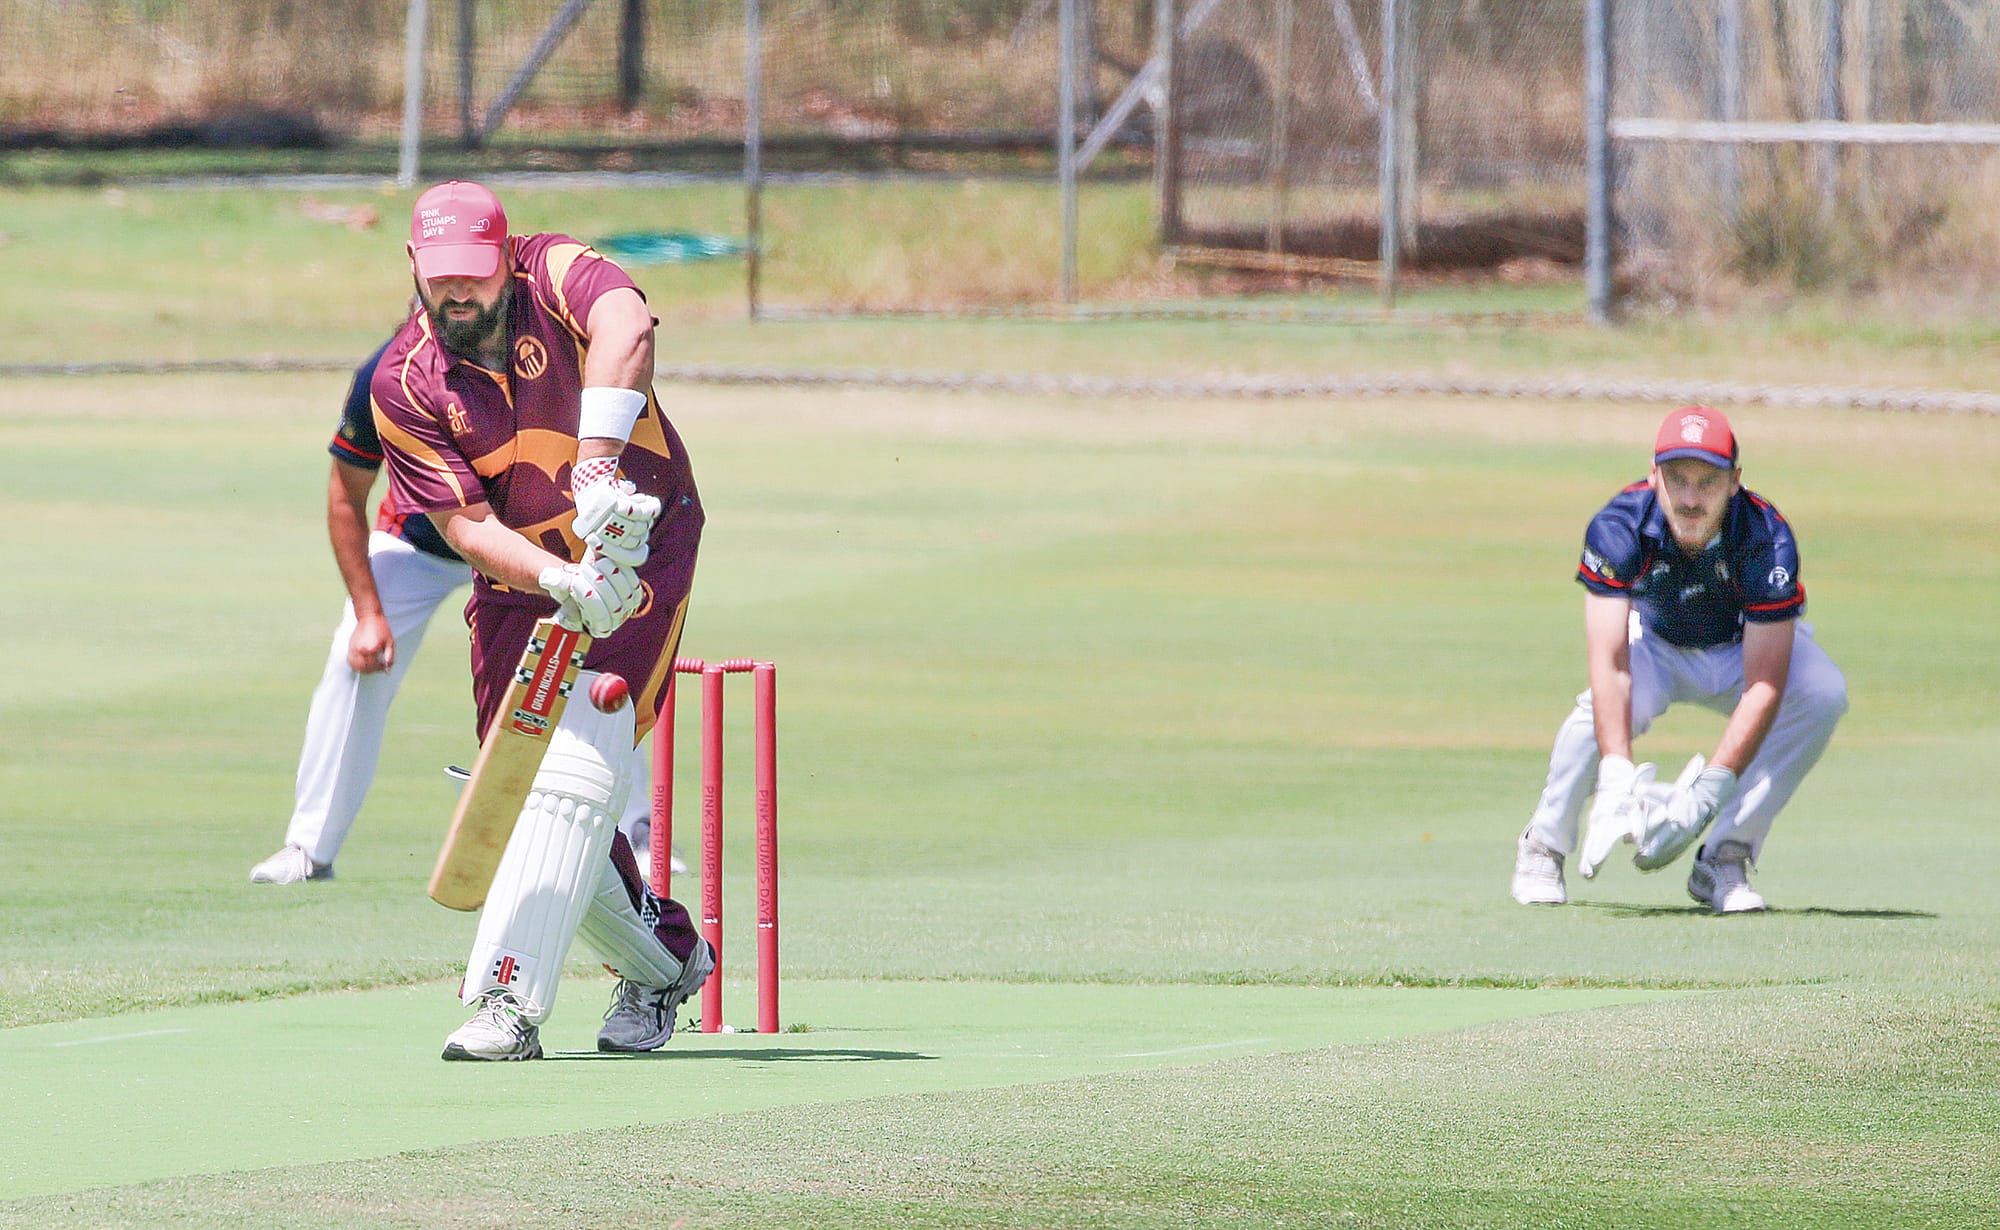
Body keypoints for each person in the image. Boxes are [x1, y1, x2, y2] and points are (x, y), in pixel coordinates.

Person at [371, 180, 711, 1059]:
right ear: (413, 264)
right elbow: (466, 528)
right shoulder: (403, 383)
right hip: (524, 580)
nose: (459, 291)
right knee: (525, 790)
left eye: (475, 273)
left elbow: (627, 325)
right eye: (441, 275)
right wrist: (560, 576)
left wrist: (598, 467)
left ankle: (506, 1004)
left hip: (640, 543)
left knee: (574, 762)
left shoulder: (552, 269)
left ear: (504, 255)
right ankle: (666, 961)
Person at [249, 342, 679, 885]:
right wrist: (369, 614)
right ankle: (310, 848)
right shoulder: (387, 376)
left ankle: (638, 834)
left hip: (538, 551)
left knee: (599, 665)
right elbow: (345, 495)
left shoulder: (546, 357)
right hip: (421, 545)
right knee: (352, 657)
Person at [1510, 406, 1848, 914]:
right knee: (1592, 716)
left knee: (1822, 693)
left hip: (1740, 649)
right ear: (1654, 476)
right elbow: (1610, 663)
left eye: (1707, 482)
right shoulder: (1618, 526)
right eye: (1677, 480)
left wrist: (1708, 794)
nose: (1690, 499)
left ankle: (1724, 856)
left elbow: (1764, 684)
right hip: (1655, 647)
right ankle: (1544, 844)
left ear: (1734, 481)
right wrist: (1617, 774)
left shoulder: (1766, 537)